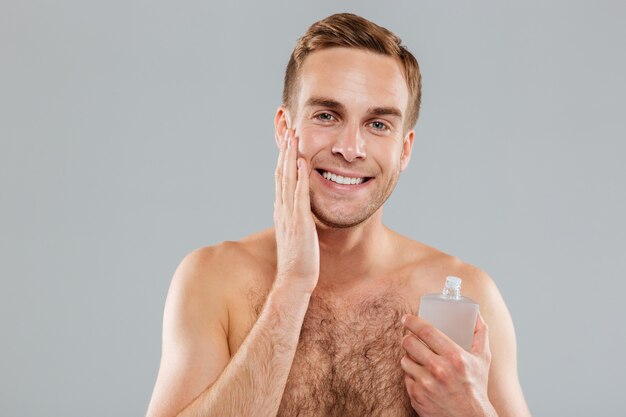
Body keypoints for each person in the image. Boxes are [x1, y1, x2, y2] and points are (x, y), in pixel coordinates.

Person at [146, 13, 531, 417]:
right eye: (327, 116)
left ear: (405, 150)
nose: (351, 148)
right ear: (284, 128)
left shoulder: (469, 295)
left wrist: (472, 410)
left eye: (378, 124)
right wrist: (292, 287)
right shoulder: (213, 281)